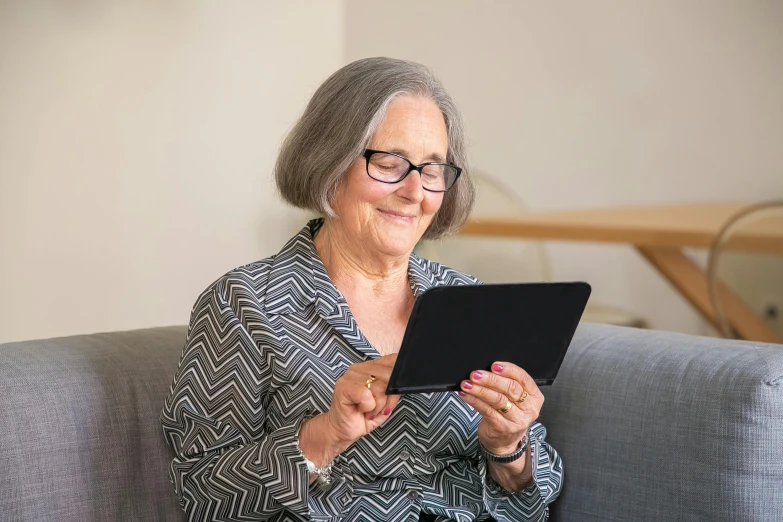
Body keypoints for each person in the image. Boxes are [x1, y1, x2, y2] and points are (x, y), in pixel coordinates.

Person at [161, 57, 562, 522]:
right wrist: (325, 433)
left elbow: (532, 500)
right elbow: (201, 496)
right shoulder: (244, 304)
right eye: (390, 163)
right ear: (329, 164)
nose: (415, 191)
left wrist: (508, 446)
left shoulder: (466, 300)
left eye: (432, 170)